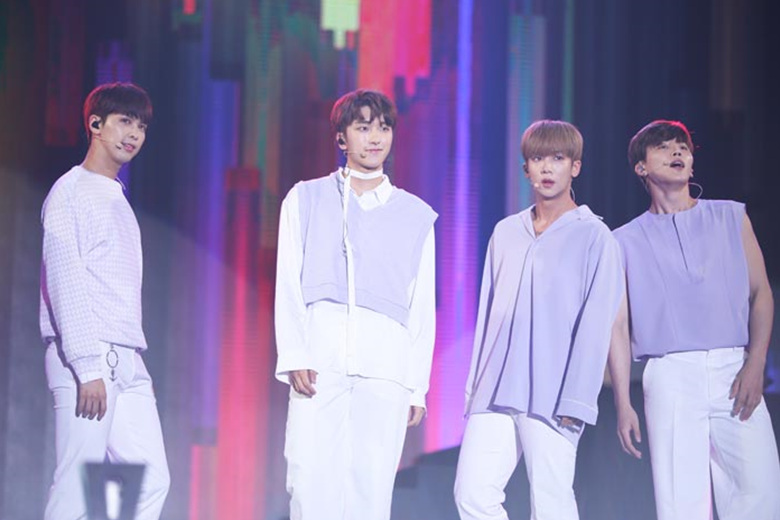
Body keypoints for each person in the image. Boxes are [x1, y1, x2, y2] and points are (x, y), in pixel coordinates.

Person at [274, 89, 437, 520]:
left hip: (385, 367)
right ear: (342, 137)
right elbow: (288, 282)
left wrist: (416, 386)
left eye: (383, 128)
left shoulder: (416, 216)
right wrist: (295, 352)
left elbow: (422, 308)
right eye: (363, 128)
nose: (375, 138)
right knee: (308, 481)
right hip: (320, 361)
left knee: (371, 489)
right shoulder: (305, 198)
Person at [608, 120, 780, 520]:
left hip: (733, 369)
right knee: (680, 503)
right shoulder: (623, 240)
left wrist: (756, 363)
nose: (677, 152)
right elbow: (618, 325)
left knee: (759, 494)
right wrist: (622, 401)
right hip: (670, 375)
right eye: (664, 147)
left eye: (683, 147)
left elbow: (761, 294)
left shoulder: (731, 217)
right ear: (640, 167)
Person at [454, 120, 624, 520]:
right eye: (537, 158)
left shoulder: (594, 236)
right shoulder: (506, 232)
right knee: (472, 494)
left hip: (555, 392)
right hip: (495, 387)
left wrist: (577, 398)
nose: (547, 167)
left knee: (551, 503)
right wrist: (474, 386)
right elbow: (488, 313)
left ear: (575, 167)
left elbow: (596, 326)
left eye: (558, 158)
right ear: (525, 168)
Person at [39, 82, 170, 520]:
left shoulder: (115, 197)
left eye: (142, 126)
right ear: (96, 124)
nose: (134, 134)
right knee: (77, 486)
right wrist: (87, 366)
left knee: (150, 479)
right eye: (124, 121)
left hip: (125, 358)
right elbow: (66, 282)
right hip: (89, 358)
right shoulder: (70, 192)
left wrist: (131, 361)